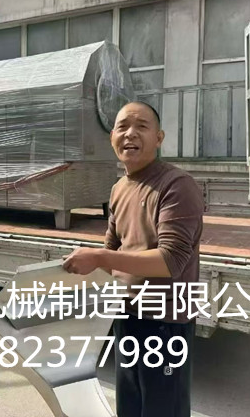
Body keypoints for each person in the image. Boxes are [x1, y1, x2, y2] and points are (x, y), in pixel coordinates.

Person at [63, 101, 204, 417]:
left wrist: (99, 257)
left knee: (162, 409)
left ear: (159, 138)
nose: (130, 134)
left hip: (166, 322)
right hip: (127, 314)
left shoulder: (176, 185)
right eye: (123, 127)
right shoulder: (119, 188)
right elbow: (112, 248)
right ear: (112, 137)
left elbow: (171, 260)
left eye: (141, 126)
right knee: (130, 405)